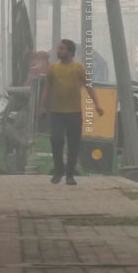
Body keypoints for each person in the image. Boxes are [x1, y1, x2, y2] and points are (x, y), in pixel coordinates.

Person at [38, 39, 104, 186]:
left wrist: (97, 105)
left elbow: (89, 87)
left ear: (69, 52)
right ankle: (58, 171)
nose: (58, 51)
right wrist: (42, 106)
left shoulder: (78, 68)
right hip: (57, 112)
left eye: (62, 49)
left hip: (74, 113)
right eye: (58, 48)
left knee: (74, 145)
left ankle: (70, 175)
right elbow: (47, 88)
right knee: (56, 140)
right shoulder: (53, 68)